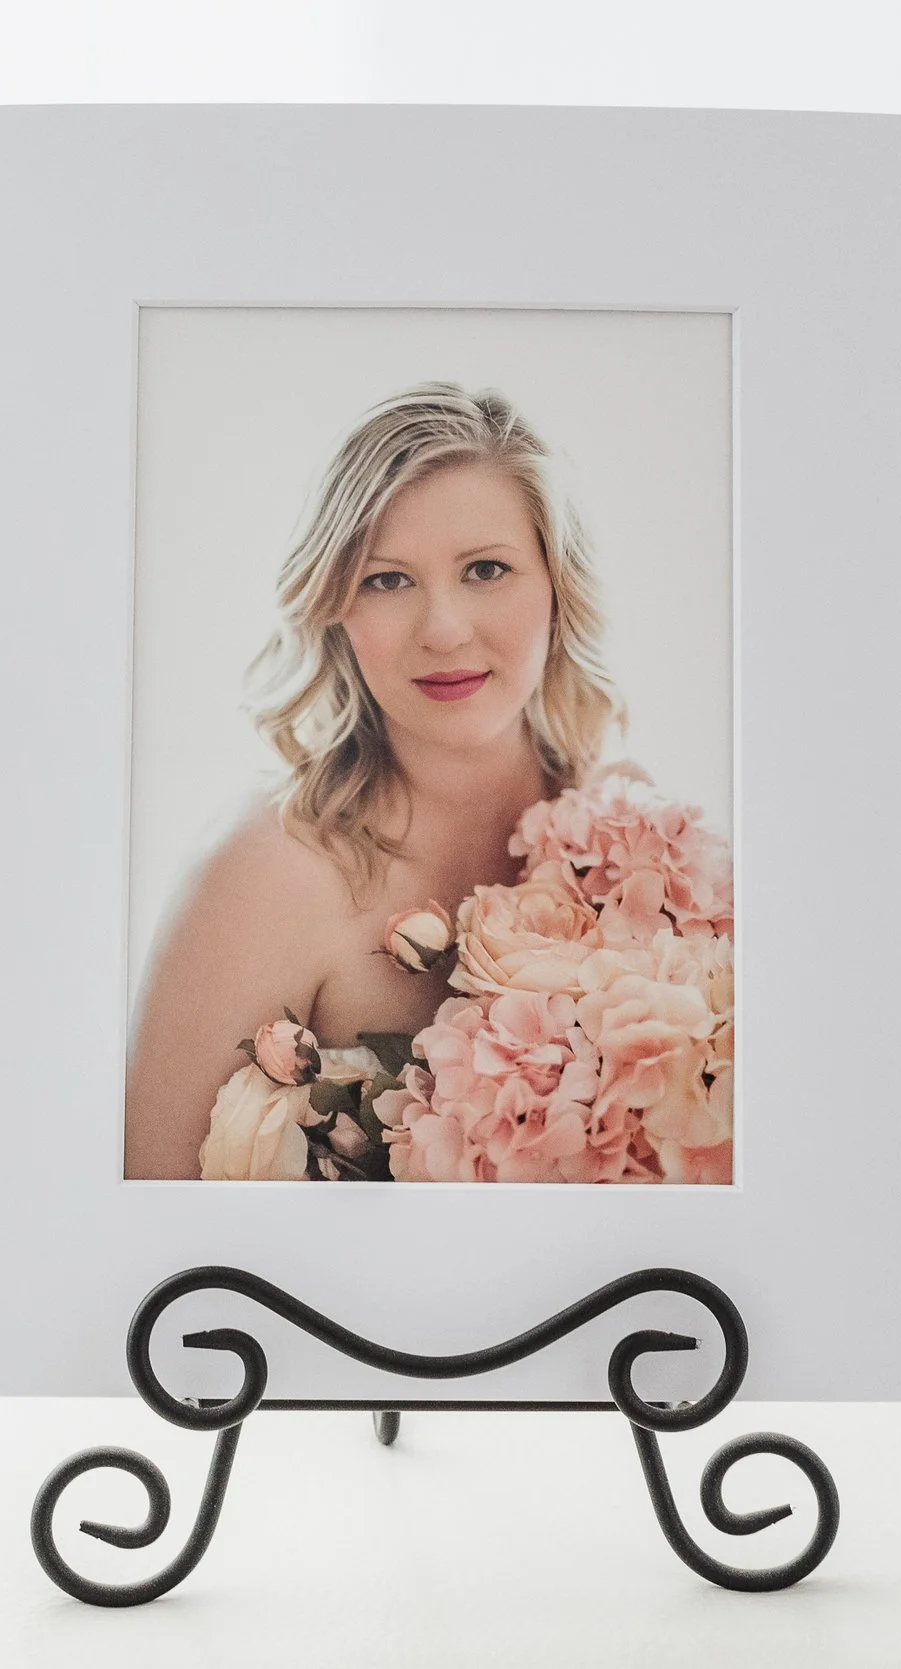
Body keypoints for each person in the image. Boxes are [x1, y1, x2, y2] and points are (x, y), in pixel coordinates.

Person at [123, 383, 624, 1180]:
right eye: (388, 580)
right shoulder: (263, 874)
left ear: (559, 588)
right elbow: (150, 1228)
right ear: (333, 604)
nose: (445, 629)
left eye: (487, 569)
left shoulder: (639, 846)